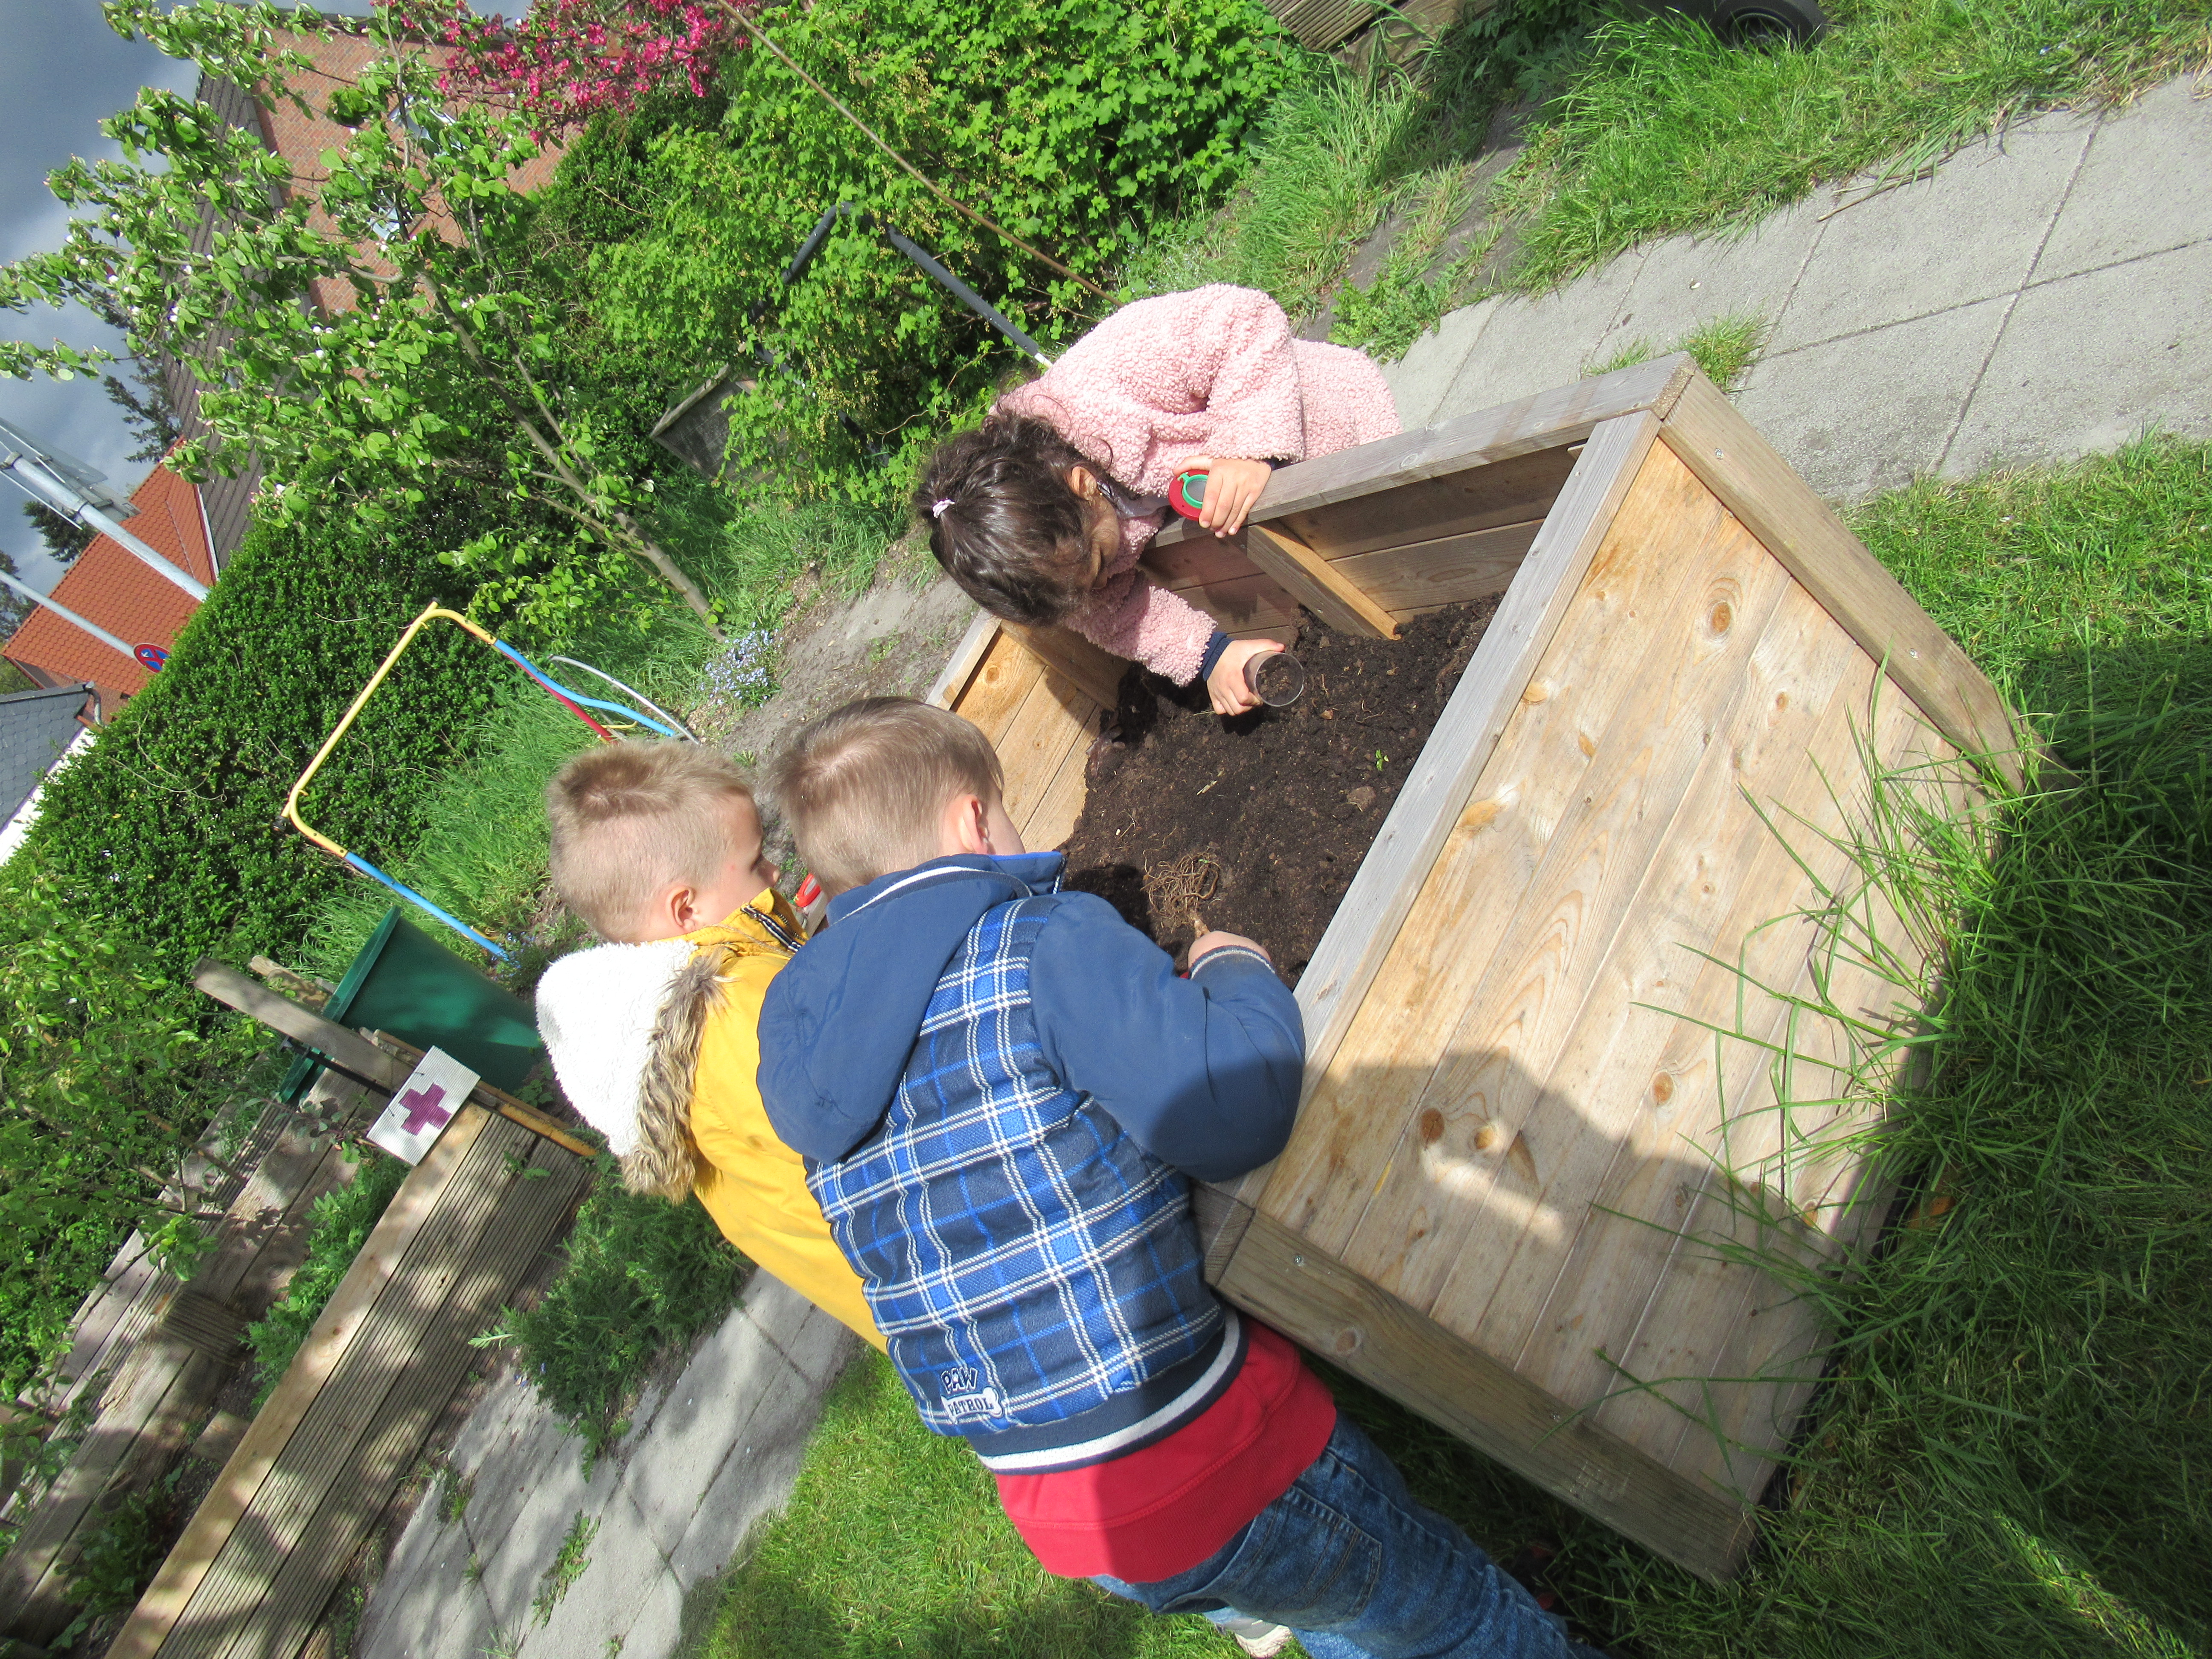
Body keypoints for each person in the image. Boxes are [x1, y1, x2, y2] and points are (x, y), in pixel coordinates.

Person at [754, 697, 1605, 1659]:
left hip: (1069, 1521)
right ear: (971, 823)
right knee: (1451, 1615)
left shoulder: (809, 1069)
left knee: (1338, 1601)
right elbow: (1232, 1111)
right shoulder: (1040, 947)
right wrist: (1238, 976)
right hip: (1201, 1457)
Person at [532, 739, 884, 1352]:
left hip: (884, 1298)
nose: (774, 873)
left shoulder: (660, 1036)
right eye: (754, 863)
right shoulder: (738, 1012)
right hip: (946, 1267)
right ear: (686, 908)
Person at [918, 284, 1400, 717]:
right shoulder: (1054, 560)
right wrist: (1212, 656)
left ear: (1084, 485)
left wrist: (1249, 449)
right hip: (1284, 536)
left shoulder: (1120, 369)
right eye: (1091, 584)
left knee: (1397, 544)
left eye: (1103, 561)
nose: (1105, 581)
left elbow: (1244, 319)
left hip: (1331, 431)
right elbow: (1111, 614)